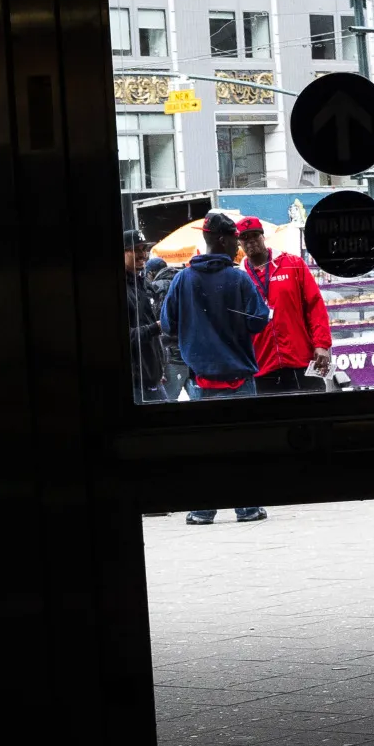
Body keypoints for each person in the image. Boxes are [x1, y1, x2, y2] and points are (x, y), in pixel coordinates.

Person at [160, 211, 271, 525]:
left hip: (202, 382)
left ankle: (203, 510)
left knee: (206, 447)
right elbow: (260, 319)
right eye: (235, 238)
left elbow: (168, 324)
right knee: (244, 445)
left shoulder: (183, 279)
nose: (239, 245)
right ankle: (247, 507)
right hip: (240, 381)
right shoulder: (238, 278)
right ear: (223, 239)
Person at [234, 216, 331, 396]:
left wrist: (322, 345)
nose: (251, 241)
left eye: (255, 235)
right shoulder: (238, 278)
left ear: (263, 237)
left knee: (316, 413)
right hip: (262, 367)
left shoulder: (292, 264)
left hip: (302, 360)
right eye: (245, 238)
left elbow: (315, 306)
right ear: (239, 242)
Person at [125, 228, 166, 402]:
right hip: (136, 383)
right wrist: (156, 327)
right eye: (136, 249)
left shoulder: (142, 283)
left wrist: (159, 368)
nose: (143, 254)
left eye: (144, 249)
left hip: (152, 377)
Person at [148, 253, 191, 401]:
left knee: (167, 402)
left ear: (151, 273)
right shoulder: (184, 281)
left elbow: (155, 324)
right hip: (192, 353)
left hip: (171, 355)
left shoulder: (154, 288)